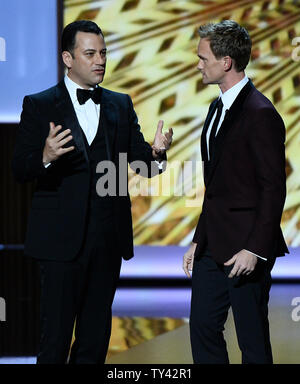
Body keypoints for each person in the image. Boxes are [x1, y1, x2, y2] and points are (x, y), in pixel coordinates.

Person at [12, 20, 173, 364]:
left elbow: (143, 166)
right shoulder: (39, 105)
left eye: (103, 53)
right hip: (58, 245)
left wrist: (157, 154)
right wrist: (45, 156)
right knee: (53, 342)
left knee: (94, 341)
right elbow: (19, 168)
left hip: (106, 242)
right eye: (90, 53)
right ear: (68, 59)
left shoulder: (120, 104)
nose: (100, 60)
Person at [183, 20, 288, 364]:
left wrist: (255, 251)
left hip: (245, 251)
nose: (198, 64)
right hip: (212, 248)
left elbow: (273, 188)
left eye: (203, 58)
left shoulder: (260, 113)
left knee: (252, 341)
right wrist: (199, 238)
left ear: (226, 61)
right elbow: (217, 188)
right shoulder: (216, 108)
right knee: (202, 327)